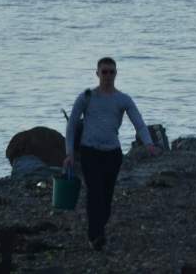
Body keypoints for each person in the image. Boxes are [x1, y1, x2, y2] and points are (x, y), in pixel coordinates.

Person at [63, 57, 160, 250]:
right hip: (89, 151)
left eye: (111, 72)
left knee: (106, 198)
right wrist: (69, 153)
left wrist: (149, 144)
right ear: (97, 73)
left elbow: (139, 123)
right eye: (104, 72)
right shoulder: (87, 96)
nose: (107, 76)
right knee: (94, 193)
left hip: (112, 154)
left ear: (116, 74)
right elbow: (72, 124)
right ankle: (95, 236)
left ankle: (99, 229)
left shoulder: (123, 99)